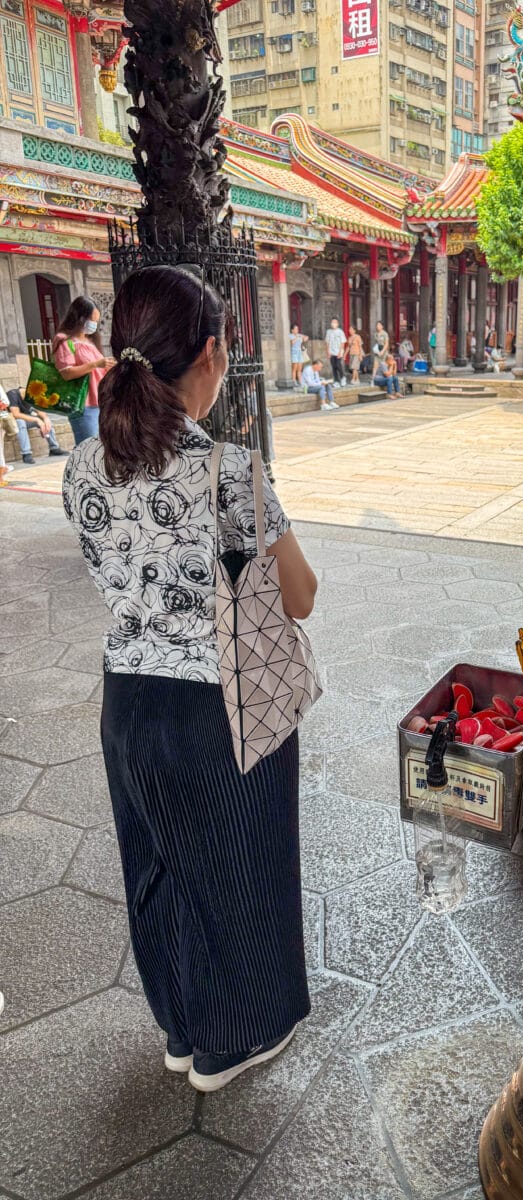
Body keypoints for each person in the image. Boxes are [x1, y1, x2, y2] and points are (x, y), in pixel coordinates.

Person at [62, 263, 318, 1093]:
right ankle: (231, 1041)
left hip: (128, 703)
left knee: (160, 865)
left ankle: (180, 1027)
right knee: (239, 869)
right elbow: (301, 595)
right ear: (208, 356)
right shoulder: (229, 471)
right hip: (221, 707)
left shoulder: (80, 471)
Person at [52, 296, 115, 446]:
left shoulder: (90, 341)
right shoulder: (64, 339)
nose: (93, 325)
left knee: (102, 450)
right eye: (91, 320)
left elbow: (98, 370)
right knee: (88, 450)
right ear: (79, 317)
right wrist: (95, 364)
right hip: (82, 404)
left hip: (100, 402)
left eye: (95, 321)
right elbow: (66, 372)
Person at [4, 384, 68, 464]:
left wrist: (45, 418)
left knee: (45, 420)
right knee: (20, 422)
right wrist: (37, 420)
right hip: (10, 423)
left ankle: (54, 448)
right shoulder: (12, 395)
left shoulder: (33, 395)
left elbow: (40, 410)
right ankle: (26, 454)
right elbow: (15, 414)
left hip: (26, 421)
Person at [325, 318, 347, 388]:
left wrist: (340, 352)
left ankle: (343, 377)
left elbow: (342, 343)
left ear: (337, 324)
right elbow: (327, 342)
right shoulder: (328, 331)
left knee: (338, 365)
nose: (333, 324)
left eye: (335, 322)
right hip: (331, 352)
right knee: (333, 367)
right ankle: (336, 381)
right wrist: (328, 352)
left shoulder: (340, 332)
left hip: (339, 351)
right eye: (332, 322)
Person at [289, 324, 307, 389]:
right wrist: (296, 337)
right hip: (294, 352)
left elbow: (305, 339)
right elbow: (292, 343)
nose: (297, 330)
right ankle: (294, 381)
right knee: (294, 368)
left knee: (299, 368)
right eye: (295, 329)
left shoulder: (299, 335)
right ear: (292, 330)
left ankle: (300, 381)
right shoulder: (290, 336)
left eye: (297, 329)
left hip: (299, 352)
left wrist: (303, 337)